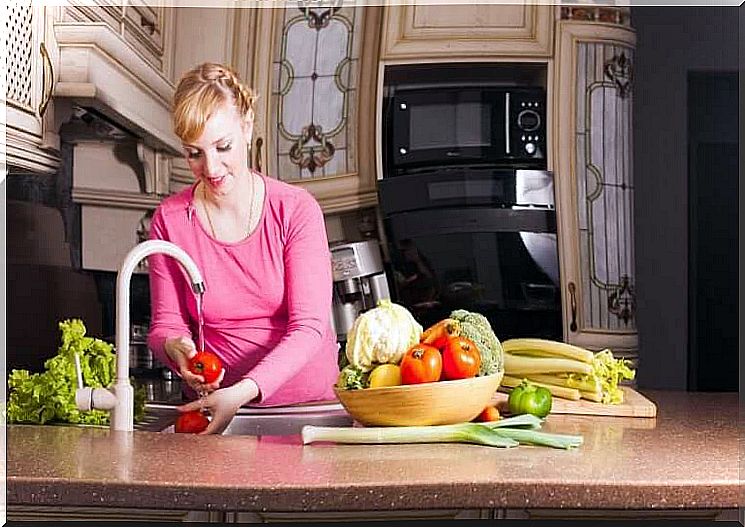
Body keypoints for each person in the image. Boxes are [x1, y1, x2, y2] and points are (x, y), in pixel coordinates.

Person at [147, 62, 339, 434]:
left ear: (247, 127)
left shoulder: (295, 210)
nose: (211, 167)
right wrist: (178, 348)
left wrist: (241, 393)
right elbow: (165, 323)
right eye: (194, 153)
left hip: (307, 414)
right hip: (217, 413)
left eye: (223, 147)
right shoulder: (170, 219)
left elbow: (309, 327)